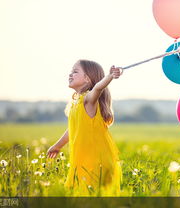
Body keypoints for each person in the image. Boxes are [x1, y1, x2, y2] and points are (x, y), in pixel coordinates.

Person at [46, 60, 123, 196]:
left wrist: (110, 76)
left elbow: (98, 88)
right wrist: (57, 146)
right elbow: (72, 129)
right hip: (82, 159)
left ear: (87, 79)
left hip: (95, 161)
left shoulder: (88, 101)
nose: (70, 74)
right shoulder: (76, 103)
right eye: (71, 71)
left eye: (75, 72)